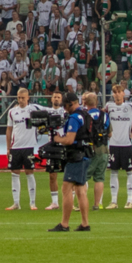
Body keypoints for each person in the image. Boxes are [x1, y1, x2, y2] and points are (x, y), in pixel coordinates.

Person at [48, 92, 93, 232]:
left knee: (66, 188)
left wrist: (57, 139)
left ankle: (64, 224)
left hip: (76, 156)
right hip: (86, 154)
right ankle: (85, 224)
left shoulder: (74, 118)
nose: (65, 108)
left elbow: (69, 140)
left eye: (66, 105)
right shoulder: (86, 115)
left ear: (71, 103)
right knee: (80, 189)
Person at [102, 84, 132, 208]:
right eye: (115, 92)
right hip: (113, 144)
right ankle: (114, 201)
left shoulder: (130, 106)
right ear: (113, 94)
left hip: (126, 144)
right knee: (113, 172)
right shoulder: (109, 106)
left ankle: (129, 200)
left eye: (119, 92)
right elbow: (102, 118)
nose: (117, 94)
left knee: (129, 171)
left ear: (123, 93)